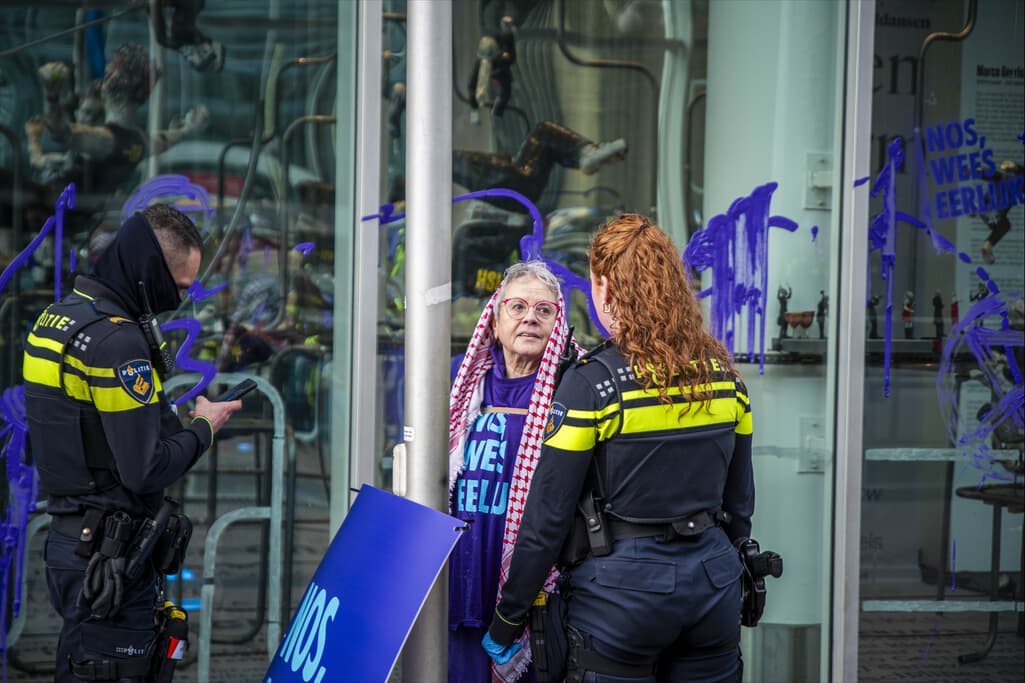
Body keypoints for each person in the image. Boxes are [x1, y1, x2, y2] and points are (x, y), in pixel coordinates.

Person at [483, 214, 754, 682]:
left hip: (620, 600)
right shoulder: (727, 379)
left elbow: (547, 519)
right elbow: (740, 504)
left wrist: (507, 620)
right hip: (714, 585)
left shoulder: (592, 384)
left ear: (606, 289)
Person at [22, 203, 243, 682]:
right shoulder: (116, 344)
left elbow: (85, 426)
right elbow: (144, 469)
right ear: (148, 272)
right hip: (111, 560)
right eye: (178, 287)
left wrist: (155, 423)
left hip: (70, 545)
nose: (178, 300)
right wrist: (204, 426)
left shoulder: (57, 319)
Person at [448, 260, 577, 683]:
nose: (529, 318)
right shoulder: (460, 383)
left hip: (528, 575)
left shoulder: (570, 389)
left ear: (557, 325)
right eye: (517, 307)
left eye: (544, 311)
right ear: (496, 319)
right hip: (462, 566)